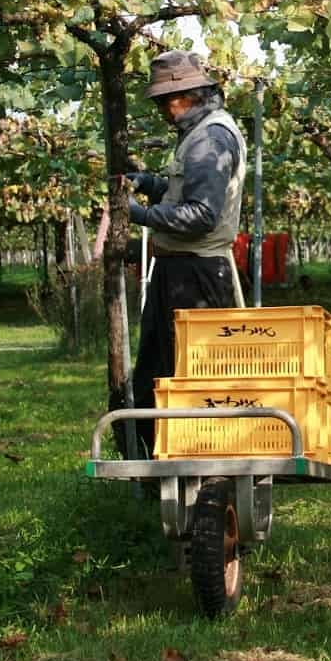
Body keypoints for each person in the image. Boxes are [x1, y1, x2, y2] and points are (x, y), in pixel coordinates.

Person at [126, 50, 247, 454]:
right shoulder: (198, 134)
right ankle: (160, 465)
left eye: (166, 101)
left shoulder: (210, 139)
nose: (163, 110)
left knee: (191, 376)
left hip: (195, 275)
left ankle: (201, 468)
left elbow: (201, 215)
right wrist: (150, 184)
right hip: (179, 269)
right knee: (160, 371)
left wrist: (141, 215)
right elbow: (185, 193)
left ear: (188, 96)